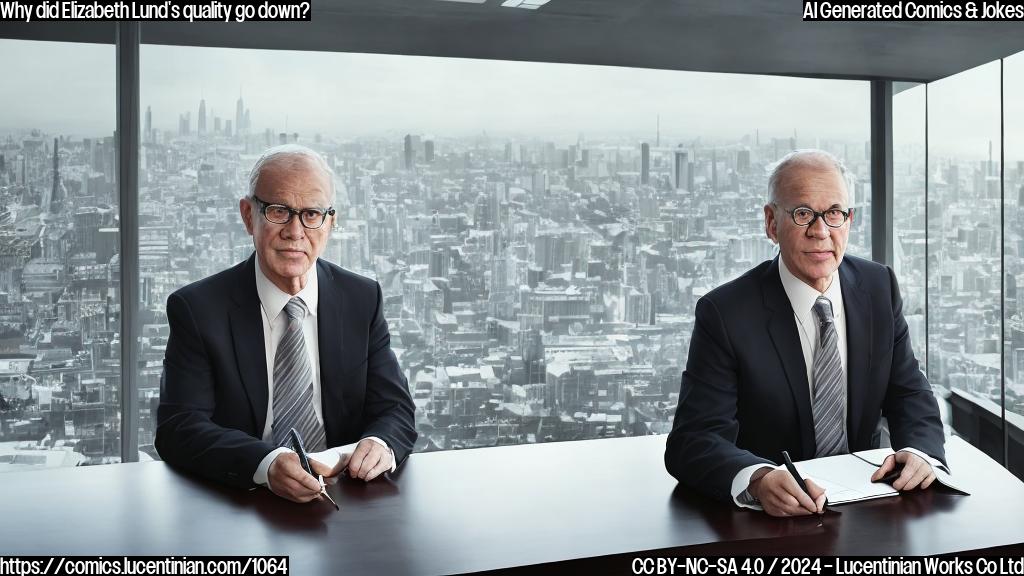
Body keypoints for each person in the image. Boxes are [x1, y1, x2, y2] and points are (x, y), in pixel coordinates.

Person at [664, 149, 946, 517]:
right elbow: (693, 439)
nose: (821, 231)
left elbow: (909, 391)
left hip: (870, 508)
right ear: (771, 223)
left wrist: (921, 452)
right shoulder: (725, 313)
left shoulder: (879, 287)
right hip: (772, 526)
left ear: (849, 220)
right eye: (802, 214)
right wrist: (757, 478)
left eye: (834, 213)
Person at [156, 144, 417, 504]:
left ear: (330, 222)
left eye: (311, 214)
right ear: (249, 215)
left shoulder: (361, 298)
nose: (296, 231)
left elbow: (396, 408)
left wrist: (380, 443)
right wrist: (266, 463)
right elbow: (179, 428)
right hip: (241, 508)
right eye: (279, 211)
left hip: (347, 503)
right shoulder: (198, 310)